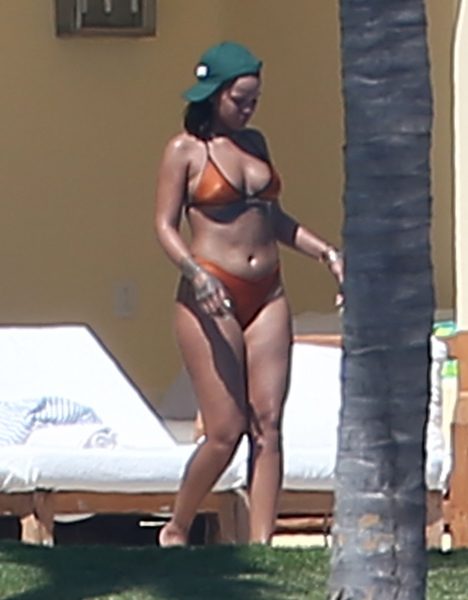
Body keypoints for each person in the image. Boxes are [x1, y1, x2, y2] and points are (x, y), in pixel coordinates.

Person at [154, 41, 343, 546]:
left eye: (254, 100)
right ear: (214, 95)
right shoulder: (184, 151)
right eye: (240, 100)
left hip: (268, 293)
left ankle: (263, 545)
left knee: (268, 423)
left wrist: (328, 254)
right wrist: (197, 274)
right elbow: (165, 226)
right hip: (211, 290)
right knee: (226, 430)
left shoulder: (256, 143)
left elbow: (273, 219)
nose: (248, 109)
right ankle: (177, 526)